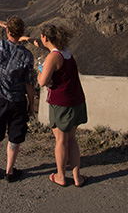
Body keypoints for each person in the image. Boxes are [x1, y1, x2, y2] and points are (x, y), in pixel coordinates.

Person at [24, 23, 88, 187]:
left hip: (61, 103)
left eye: (42, 37)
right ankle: (77, 177)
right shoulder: (65, 51)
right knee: (72, 139)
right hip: (77, 101)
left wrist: (40, 69)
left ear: (46, 38)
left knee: (60, 141)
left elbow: (43, 81)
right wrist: (28, 39)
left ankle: (60, 176)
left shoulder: (52, 57)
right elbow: (43, 44)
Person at [0, 16, 36, 183]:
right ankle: (10, 171)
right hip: (18, 101)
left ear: (7, 31)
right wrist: (31, 104)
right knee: (15, 136)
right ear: (22, 32)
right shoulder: (27, 55)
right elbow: (29, 83)